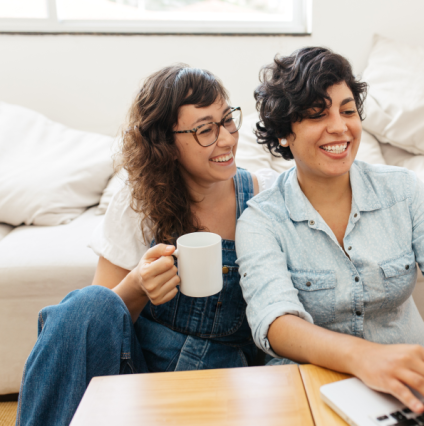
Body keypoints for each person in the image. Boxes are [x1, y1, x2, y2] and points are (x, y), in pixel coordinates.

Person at [234, 47, 424, 415]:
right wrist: (366, 358)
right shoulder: (261, 220)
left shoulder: (404, 191)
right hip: (312, 392)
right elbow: (276, 322)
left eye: (348, 111)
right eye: (318, 115)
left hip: (413, 393)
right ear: (285, 133)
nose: (340, 126)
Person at [16, 64, 277, 426]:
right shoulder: (138, 202)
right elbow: (97, 324)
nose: (227, 139)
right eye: (205, 129)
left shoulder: (263, 195)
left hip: (223, 387)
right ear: (166, 144)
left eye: (227, 120)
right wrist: (138, 286)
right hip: (139, 381)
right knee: (86, 305)